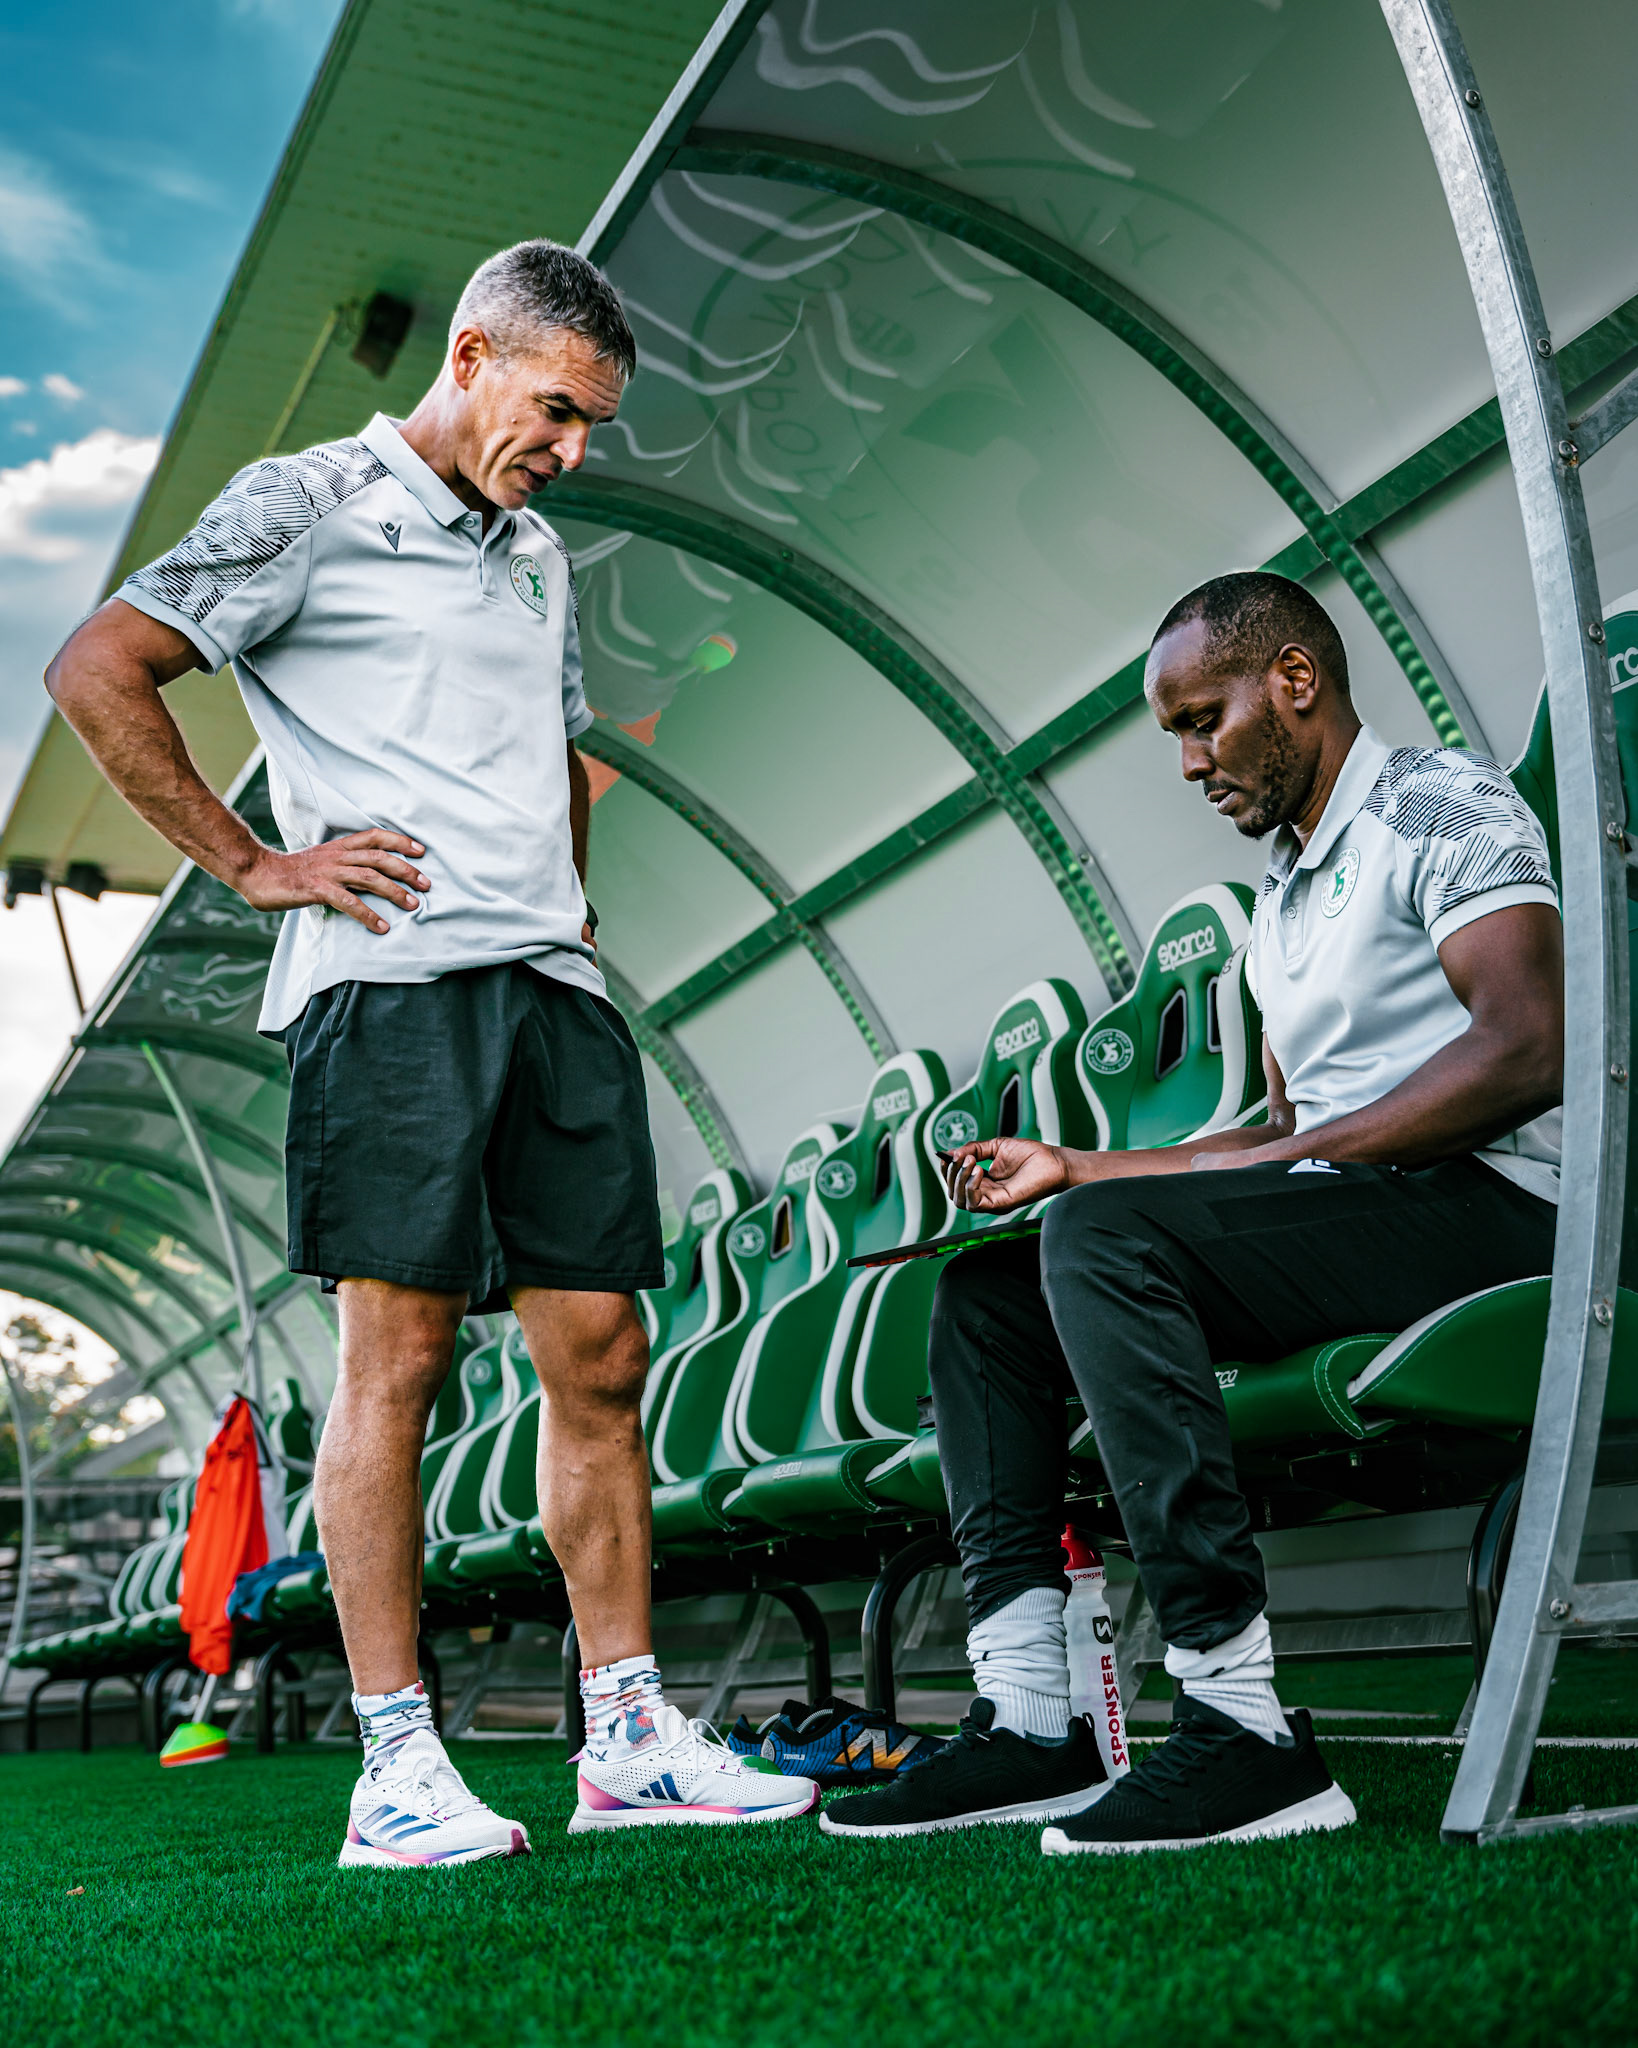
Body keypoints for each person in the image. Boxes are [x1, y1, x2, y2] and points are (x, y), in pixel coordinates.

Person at [44, 239, 818, 1865]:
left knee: (599, 1352)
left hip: (551, 992)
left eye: (594, 422)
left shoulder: (539, 556)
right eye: (555, 408)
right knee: (398, 1359)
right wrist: (258, 865)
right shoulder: (305, 500)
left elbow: (551, 760)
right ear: (468, 358)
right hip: (389, 984)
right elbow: (97, 667)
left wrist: (572, 910)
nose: (573, 448)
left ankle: (626, 1736)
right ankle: (394, 1763)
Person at [821, 571, 1562, 1851]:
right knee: (988, 1295)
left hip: (1500, 1211)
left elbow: (1527, 1047)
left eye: (1199, 719)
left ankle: (1240, 1723)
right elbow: (1275, 1131)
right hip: (1358, 1207)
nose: (1186, 761)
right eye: (1174, 732)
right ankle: (1034, 1721)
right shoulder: (1279, 901)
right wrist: (1076, 1165)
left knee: (1096, 1249)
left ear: (1294, 681)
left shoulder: (1440, 803)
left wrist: (1311, 1156)